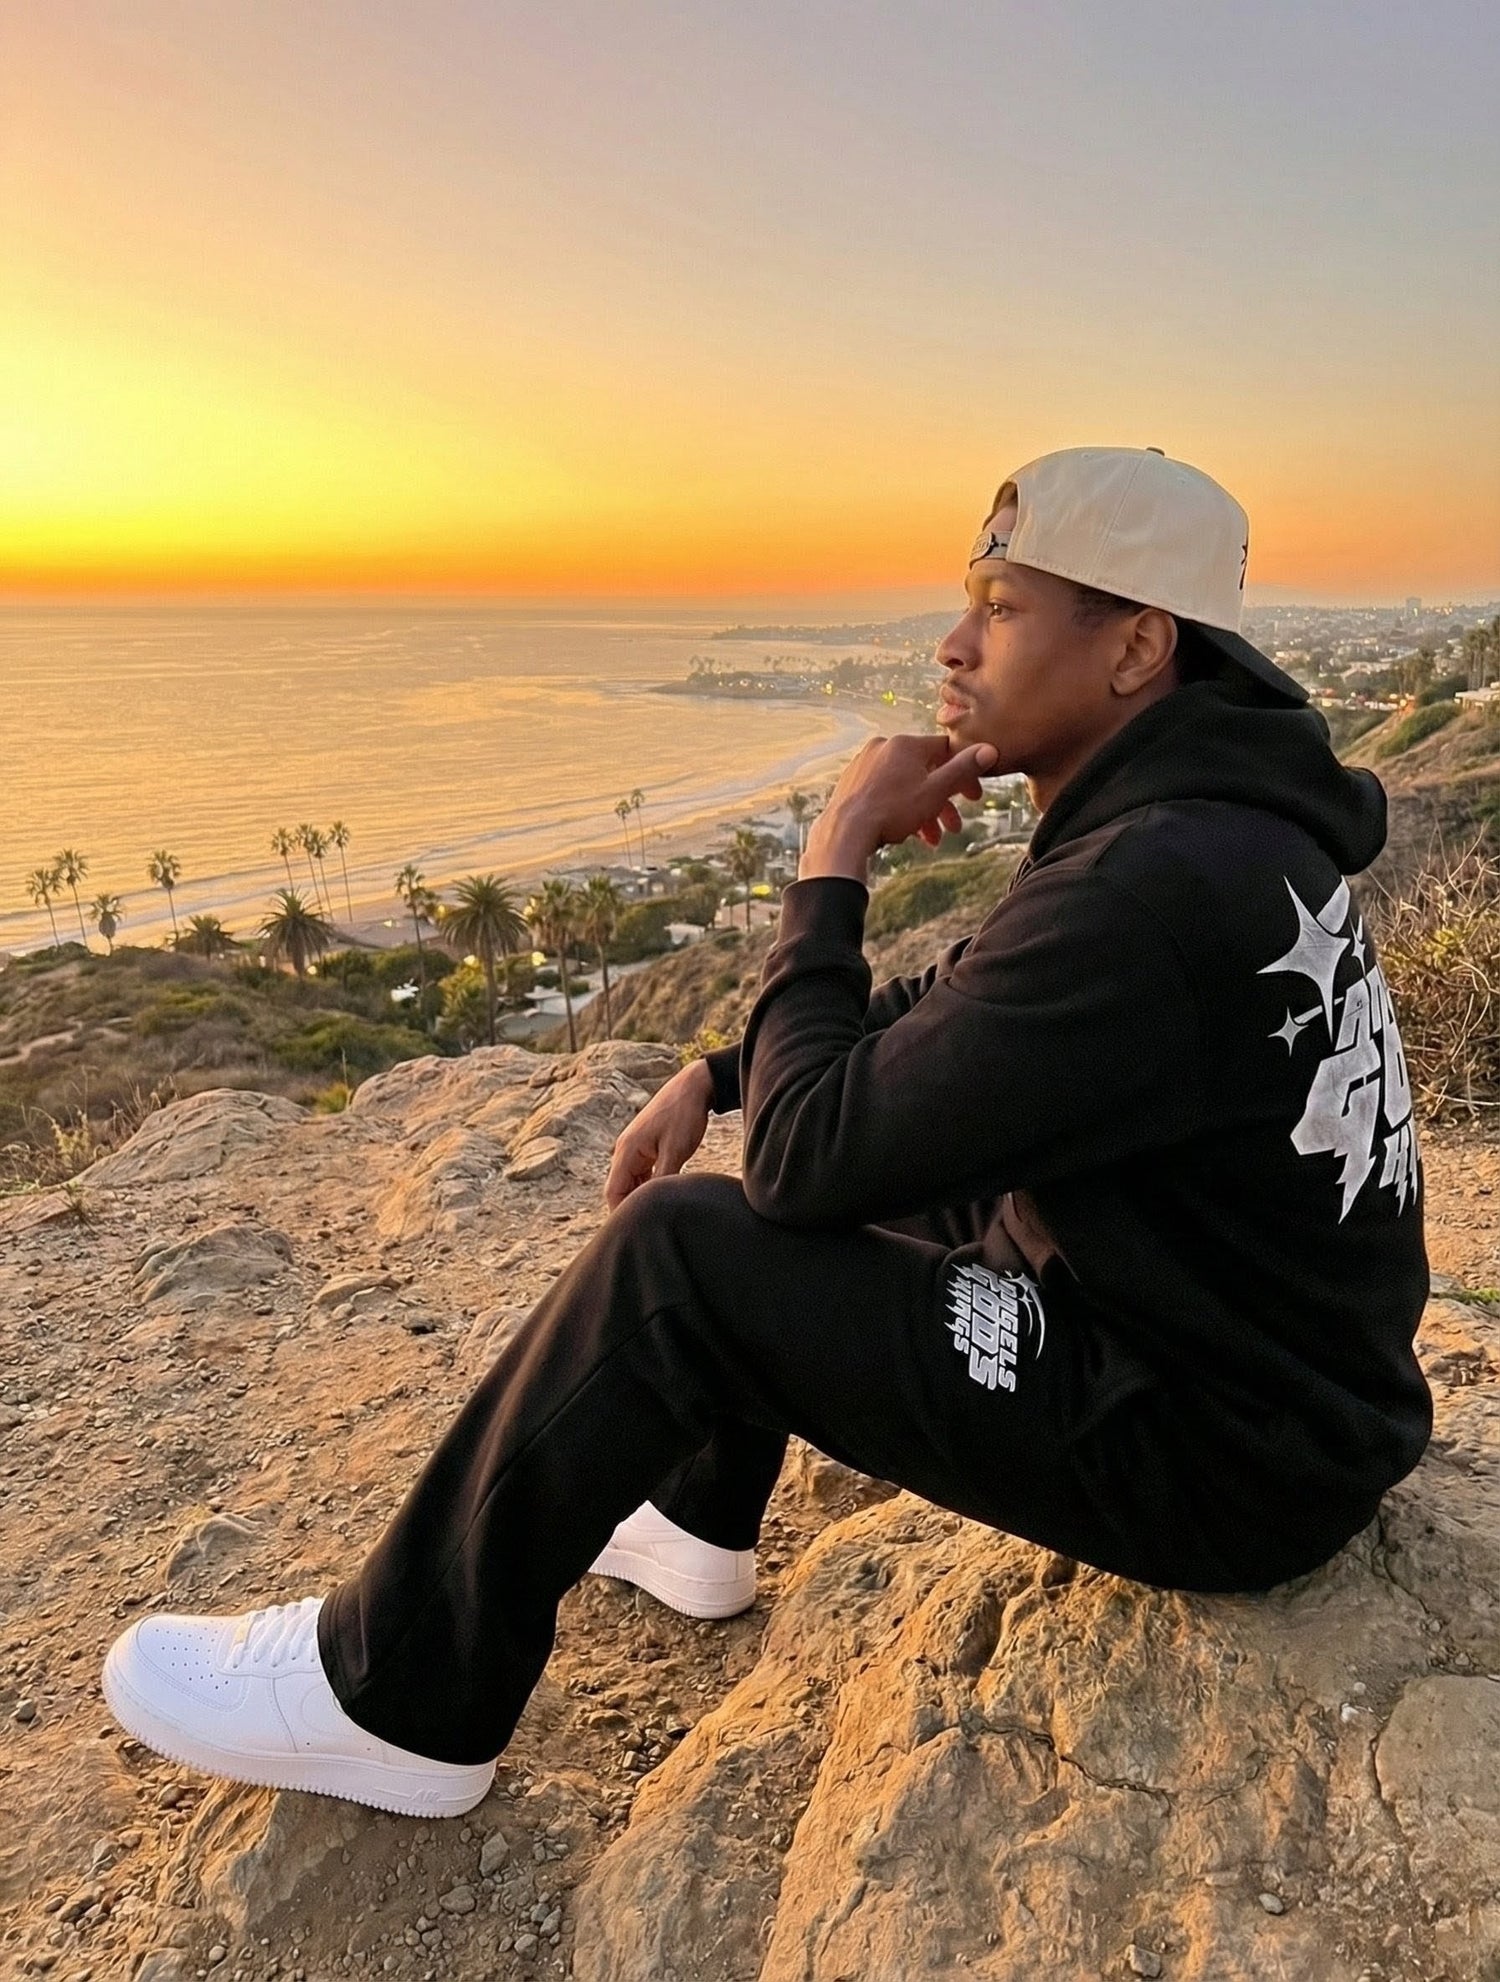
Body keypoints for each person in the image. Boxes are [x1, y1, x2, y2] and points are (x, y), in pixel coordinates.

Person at [102, 445, 1431, 1819]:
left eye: (1001, 607)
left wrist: (834, 851)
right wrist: (723, 1071)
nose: (954, 643)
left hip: (1220, 1459)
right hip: (1248, 1371)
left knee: (684, 1252)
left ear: (1138, 647)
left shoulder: (1150, 883)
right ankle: (693, 1518)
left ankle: (398, 1694)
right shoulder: (1199, 829)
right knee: (865, 1152)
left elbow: (804, 1162)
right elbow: (964, 1016)